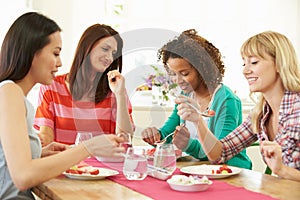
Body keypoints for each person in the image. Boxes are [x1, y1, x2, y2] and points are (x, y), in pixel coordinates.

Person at [0, 12, 126, 199]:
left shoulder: (15, 95)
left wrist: (40, 153)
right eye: (55, 53)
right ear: (32, 52)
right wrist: (89, 147)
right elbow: (23, 177)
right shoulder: (9, 92)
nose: (60, 63)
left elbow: (7, 162)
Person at [176, 31, 300, 181]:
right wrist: (198, 121)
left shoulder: (297, 109)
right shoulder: (260, 113)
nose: (245, 71)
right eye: (244, 63)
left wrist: (282, 170)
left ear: (280, 64)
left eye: (254, 62)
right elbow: (220, 153)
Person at [142, 29, 252, 169]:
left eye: (184, 73)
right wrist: (155, 136)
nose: (178, 80)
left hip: (231, 172)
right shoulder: (186, 95)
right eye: (173, 74)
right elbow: (167, 135)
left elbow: (220, 154)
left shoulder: (226, 100)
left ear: (202, 69)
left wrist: (188, 145)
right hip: (199, 169)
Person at [34, 23, 134, 146]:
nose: (109, 57)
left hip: (104, 165)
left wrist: (120, 95)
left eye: (113, 53)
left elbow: (125, 141)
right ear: (87, 47)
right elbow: (46, 136)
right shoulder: (51, 86)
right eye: (105, 49)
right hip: (65, 164)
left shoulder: (116, 89)